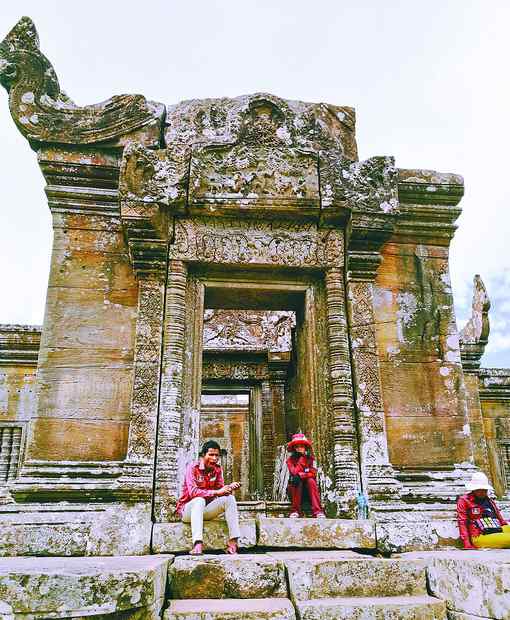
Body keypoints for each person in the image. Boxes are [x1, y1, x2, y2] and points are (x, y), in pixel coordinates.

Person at [176, 439, 241, 555]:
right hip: (188, 511)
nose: (214, 458)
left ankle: (233, 543)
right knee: (199, 500)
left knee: (230, 499)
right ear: (203, 455)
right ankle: (197, 544)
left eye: (217, 455)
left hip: (205, 511)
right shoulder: (192, 468)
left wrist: (229, 487)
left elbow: (220, 491)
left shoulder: (217, 469)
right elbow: (193, 492)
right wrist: (218, 492)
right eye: (211, 455)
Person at [457, 471, 510, 549]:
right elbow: (462, 522)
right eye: (479, 489)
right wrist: (467, 543)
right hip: (479, 535)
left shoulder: (489, 501)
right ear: (473, 489)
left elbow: (500, 520)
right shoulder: (464, 500)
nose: (482, 492)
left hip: (496, 528)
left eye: (485, 489)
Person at [286, 433, 326, 518]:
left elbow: (313, 473)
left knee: (311, 480)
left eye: (301, 446)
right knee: (296, 480)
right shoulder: (290, 460)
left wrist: (301, 475)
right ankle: (295, 510)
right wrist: (301, 460)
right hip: (295, 489)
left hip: (309, 490)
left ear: (305, 448)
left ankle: (318, 511)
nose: (299, 448)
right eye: (297, 447)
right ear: (294, 449)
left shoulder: (311, 459)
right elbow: (294, 472)